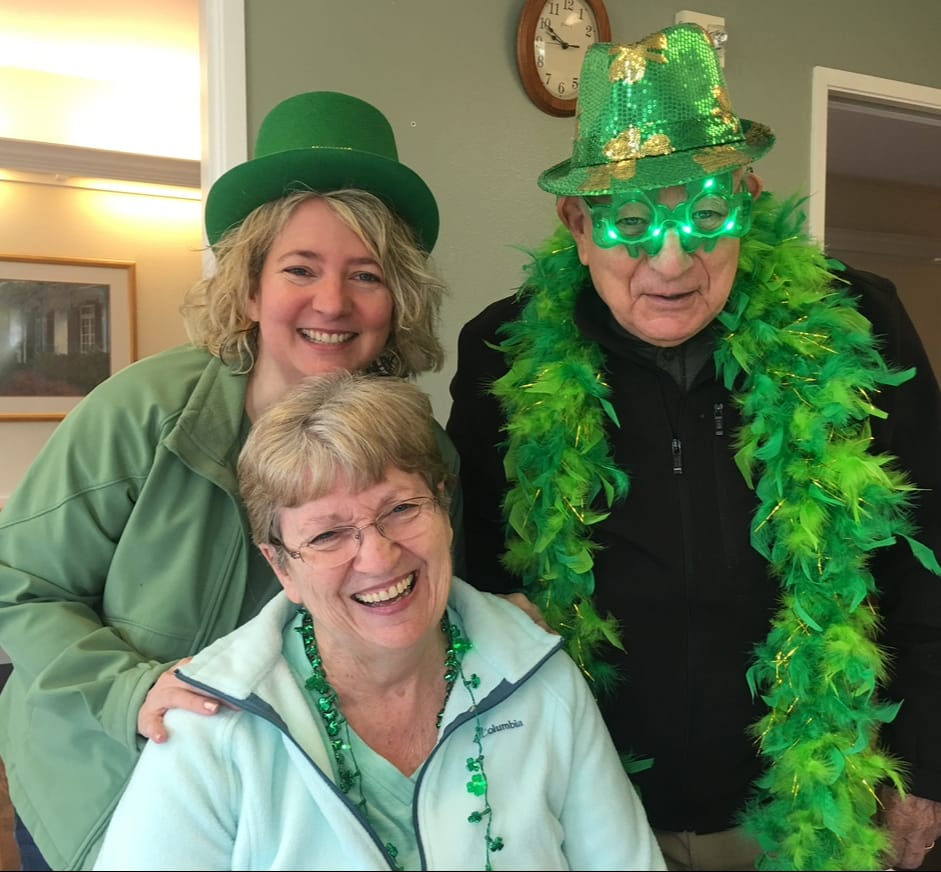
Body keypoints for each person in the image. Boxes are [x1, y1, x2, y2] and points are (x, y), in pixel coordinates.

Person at [447, 23, 941, 872]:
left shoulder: (861, 323)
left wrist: (927, 766)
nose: (671, 261)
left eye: (708, 214)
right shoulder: (504, 351)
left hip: (816, 806)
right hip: (589, 808)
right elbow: (475, 575)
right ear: (576, 221)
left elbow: (929, 554)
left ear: (747, 194)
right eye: (631, 221)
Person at [0, 89, 465, 871]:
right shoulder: (143, 414)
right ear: (250, 290)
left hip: (286, 821)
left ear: (398, 301)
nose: (332, 303)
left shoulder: (424, 453)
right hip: (106, 794)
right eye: (300, 269)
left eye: (366, 275)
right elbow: (18, 586)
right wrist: (130, 690)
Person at [89, 370, 666, 871]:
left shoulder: (541, 679)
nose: (379, 556)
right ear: (281, 566)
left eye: (401, 509)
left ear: (443, 509)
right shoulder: (211, 725)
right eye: (327, 534)